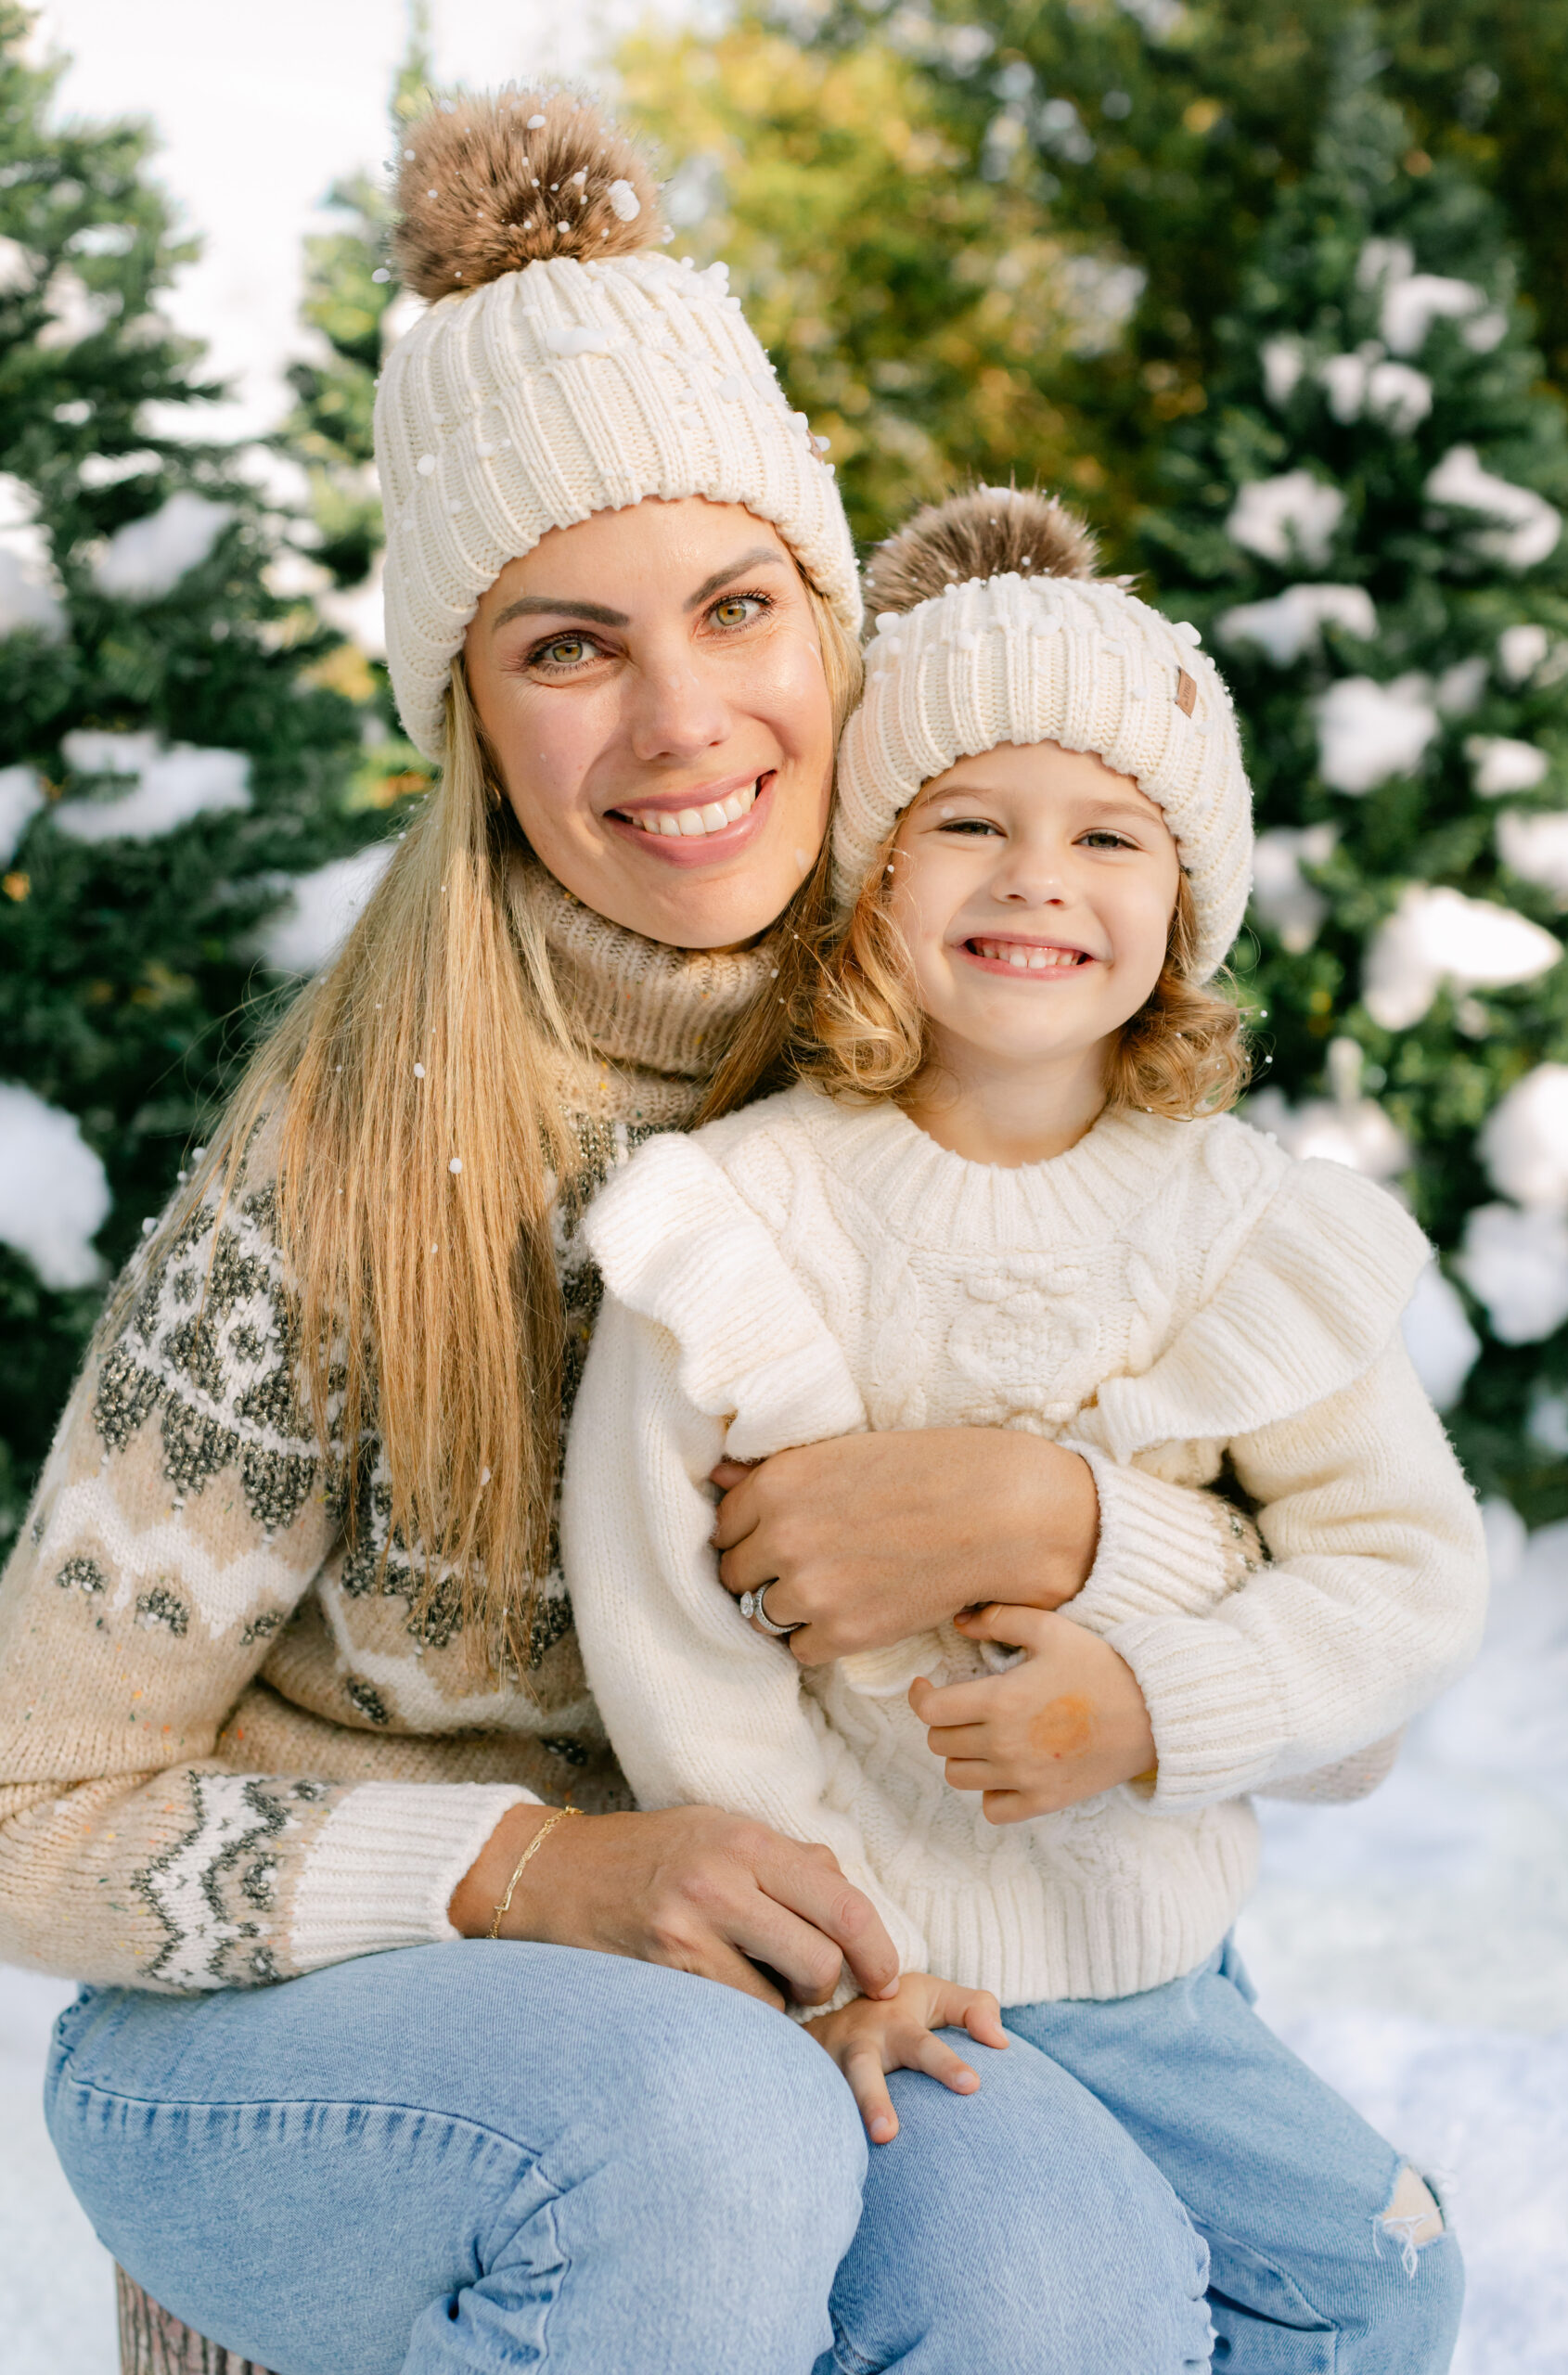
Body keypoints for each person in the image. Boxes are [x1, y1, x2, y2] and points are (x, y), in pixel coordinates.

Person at [3, 91, 1284, 2375]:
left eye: (736, 605)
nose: (685, 719)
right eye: (568, 645)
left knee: (1068, 2270)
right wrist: (520, 1866)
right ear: (470, 717)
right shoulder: (339, 1171)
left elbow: (1318, 1575)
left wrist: (1060, 1519)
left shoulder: (963, 1063)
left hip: (788, 1984)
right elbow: (27, 1795)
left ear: (831, 619)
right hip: (306, 2036)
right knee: (694, 2132)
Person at [563, 486, 1488, 2374]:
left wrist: (1158, 1705)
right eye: (965, 823)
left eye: (1107, 834)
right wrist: (825, 1956)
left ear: (1184, 894)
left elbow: (1398, 1569)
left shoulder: (1237, 1219)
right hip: (893, 1975)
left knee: (1380, 2278)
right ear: (873, 878)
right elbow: (668, 1623)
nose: (1034, 878)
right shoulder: (750, 1214)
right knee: (1048, 2314)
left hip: (1156, 1970)